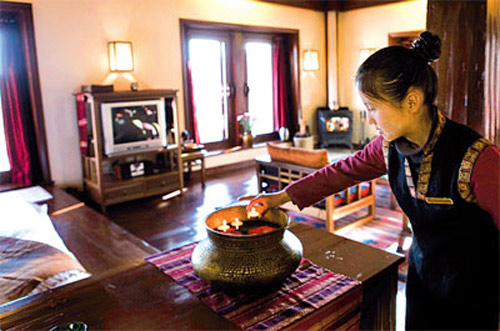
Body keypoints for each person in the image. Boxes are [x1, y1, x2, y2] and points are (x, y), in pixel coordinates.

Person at [243, 31, 499, 330]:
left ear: (412, 101)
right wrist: (279, 198)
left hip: (474, 290)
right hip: (421, 274)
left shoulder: (478, 158)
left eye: (373, 108)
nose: (369, 119)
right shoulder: (388, 148)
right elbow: (341, 172)